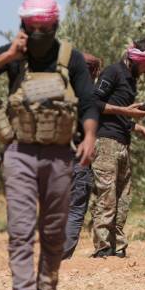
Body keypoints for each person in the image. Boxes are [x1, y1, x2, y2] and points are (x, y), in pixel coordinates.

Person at [0, 0, 98, 290]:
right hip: (20, 153)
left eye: (44, 27)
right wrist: (9, 55)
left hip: (59, 156)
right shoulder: (13, 55)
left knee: (53, 234)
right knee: (21, 230)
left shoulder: (71, 58)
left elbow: (89, 103)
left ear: (55, 25)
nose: (38, 33)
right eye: (32, 26)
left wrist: (90, 137)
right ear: (22, 24)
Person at [90, 38, 145, 258]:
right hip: (106, 144)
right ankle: (103, 249)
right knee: (107, 198)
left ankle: (118, 248)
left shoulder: (131, 79)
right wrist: (128, 112)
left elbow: (120, 115)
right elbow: (93, 103)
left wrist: (140, 128)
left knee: (123, 198)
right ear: (137, 60)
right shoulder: (113, 72)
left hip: (123, 143)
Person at [62, 53, 101, 260]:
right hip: (78, 159)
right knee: (76, 209)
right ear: (93, 72)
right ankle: (62, 257)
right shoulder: (88, 96)